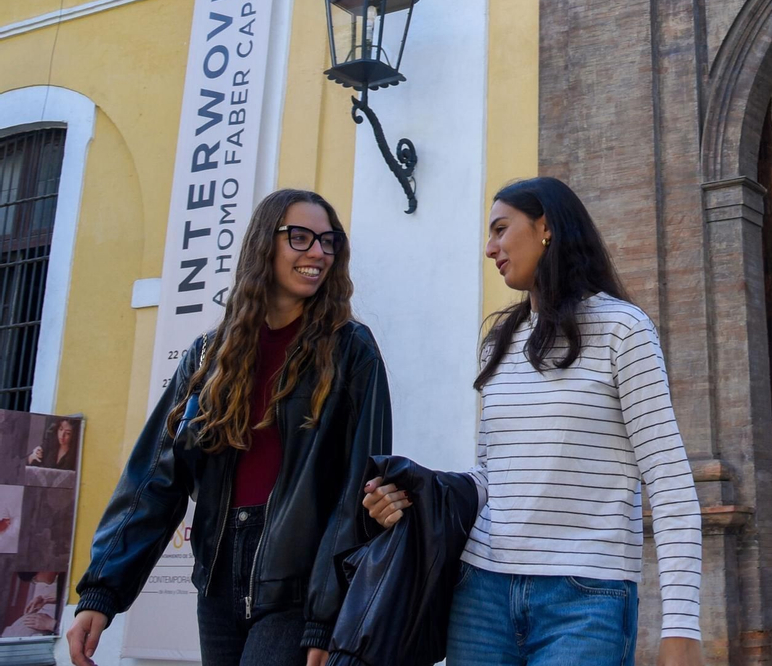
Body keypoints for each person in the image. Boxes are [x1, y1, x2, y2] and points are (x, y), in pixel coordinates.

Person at [362, 177, 704, 666]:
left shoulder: (623, 330)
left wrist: (681, 627)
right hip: (480, 592)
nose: (489, 248)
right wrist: (417, 495)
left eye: (501, 229)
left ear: (545, 228)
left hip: (585, 600)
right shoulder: (499, 341)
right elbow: (492, 476)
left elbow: (669, 483)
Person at [66, 188, 392, 666]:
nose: (318, 253)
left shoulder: (351, 351)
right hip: (216, 580)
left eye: (328, 241)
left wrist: (327, 613)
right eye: (299, 238)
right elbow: (155, 478)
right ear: (264, 244)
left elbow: (358, 489)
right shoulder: (208, 356)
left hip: (297, 584)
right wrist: (101, 591)